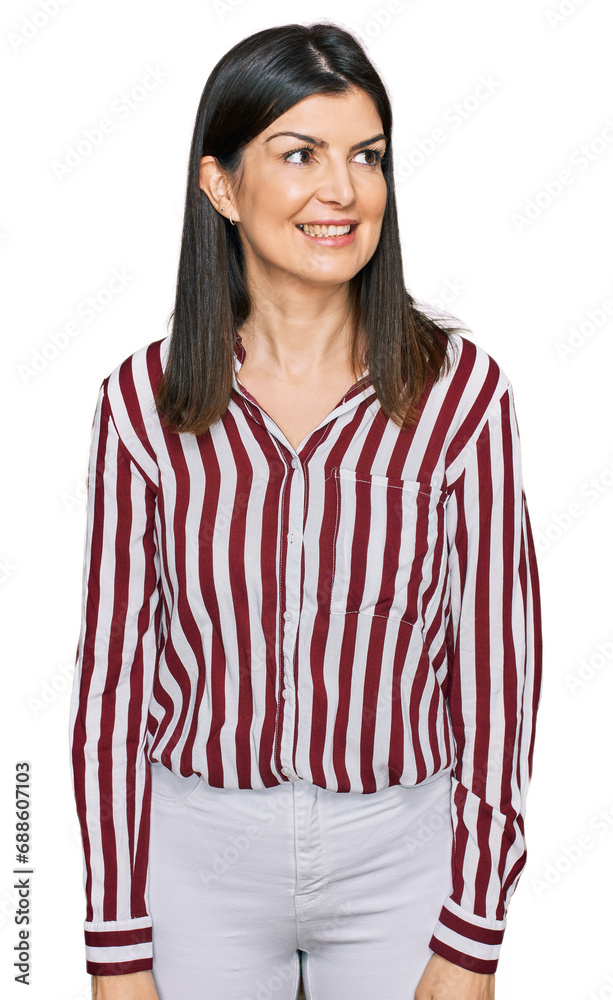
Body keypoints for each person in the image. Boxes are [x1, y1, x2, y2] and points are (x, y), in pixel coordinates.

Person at [69, 21, 542, 1000]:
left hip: (402, 850)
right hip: (197, 852)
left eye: (366, 157)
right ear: (221, 186)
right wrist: (116, 946)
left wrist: (472, 935)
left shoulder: (459, 395)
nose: (344, 190)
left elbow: (499, 669)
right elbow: (112, 686)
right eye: (300, 154)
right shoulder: (143, 403)